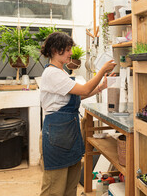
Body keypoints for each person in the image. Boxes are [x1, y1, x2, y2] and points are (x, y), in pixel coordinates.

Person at [39, 32, 116, 196]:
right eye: (67, 50)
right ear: (55, 50)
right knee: (54, 188)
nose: (71, 53)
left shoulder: (61, 72)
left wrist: (102, 86)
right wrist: (102, 70)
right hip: (57, 136)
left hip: (67, 134)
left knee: (69, 186)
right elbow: (84, 89)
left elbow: (78, 95)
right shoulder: (52, 73)